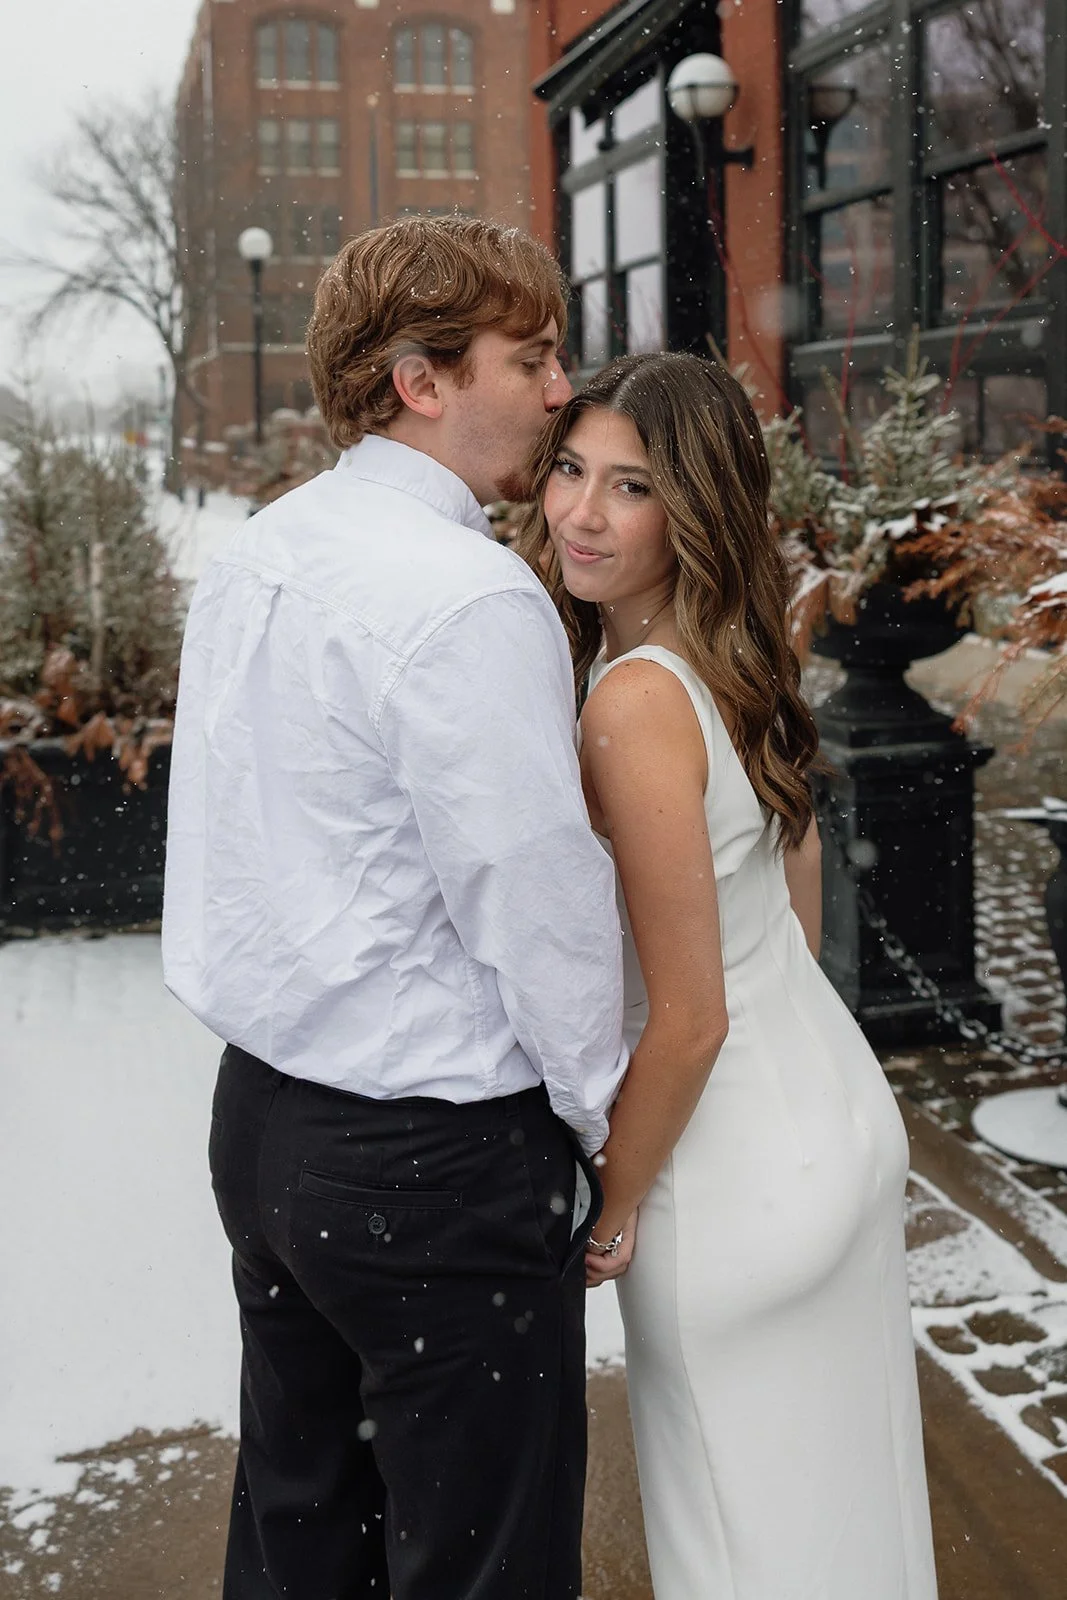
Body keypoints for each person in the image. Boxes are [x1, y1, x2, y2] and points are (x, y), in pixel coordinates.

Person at [161, 217, 629, 1600]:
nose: (557, 389)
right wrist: (597, 1133)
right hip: (430, 1164)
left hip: (264, 1129)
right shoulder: (466, 594)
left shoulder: (267, 548)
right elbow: (535, 903)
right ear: (419, 381)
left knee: (301, 1529)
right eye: (528, 358)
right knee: (483, 1559)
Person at [517, 351, 939, 1600]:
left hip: (731, 1172)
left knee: (740, 1547)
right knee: (848, 1512)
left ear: (691, 510)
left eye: (630, 487)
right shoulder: (741, 653)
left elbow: (687, 1019)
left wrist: (612, 1201)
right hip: (834, 1122)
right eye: (569, 469)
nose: (582, 511)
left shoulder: (630, 703)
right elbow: (790, 928)